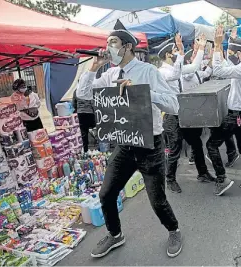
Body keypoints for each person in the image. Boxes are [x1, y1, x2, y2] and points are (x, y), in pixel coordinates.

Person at [76, 25, 182, 258]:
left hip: (149, 144)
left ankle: (174, 230)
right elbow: (84, 94)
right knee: (106, 193)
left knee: (157, 200)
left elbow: (173, 105)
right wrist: (92, 69)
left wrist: (142, 93)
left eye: (113, 42)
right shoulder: (110, 75)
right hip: (124, 144)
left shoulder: (148, 72)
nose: (108, 47)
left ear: (128, 47)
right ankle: (115, 235)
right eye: (107, 43)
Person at [207, 25, 241, 196]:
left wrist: (217, 47)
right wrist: (222, 49)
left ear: (239, 52)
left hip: (237, 114)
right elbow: (227, 65)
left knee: (211, 145)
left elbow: (219, 70)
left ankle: (221, 179)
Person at [158, 34, 215, 193]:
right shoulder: (162, 72)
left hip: (186, 113)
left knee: (196, 143)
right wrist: (182, 54)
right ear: (169, 55)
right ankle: (170, 180)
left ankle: (202, 173)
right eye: (175, 51)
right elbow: (175, 74)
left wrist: (202, 48)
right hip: (172, 116)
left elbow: (194, 67)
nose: (177, 53)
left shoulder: (177, 68)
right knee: (175, 149)